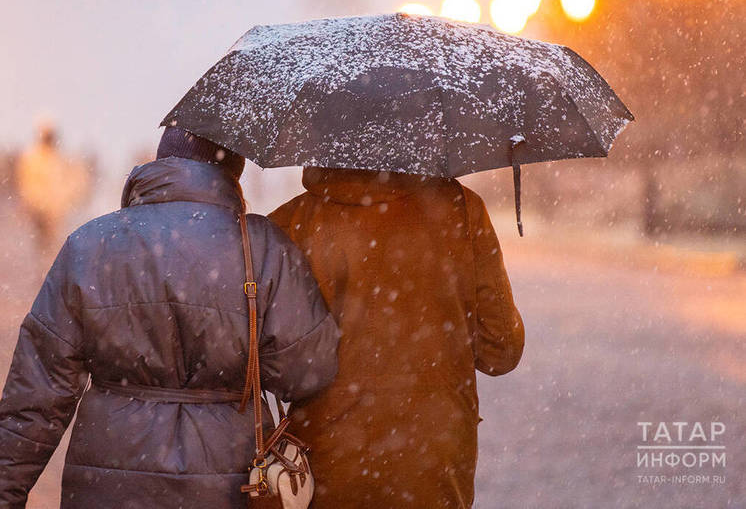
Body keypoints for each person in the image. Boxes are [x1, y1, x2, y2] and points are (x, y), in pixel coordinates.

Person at [0, 127, 339, 508]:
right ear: (234, 171)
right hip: (227, 482)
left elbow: (36, 396)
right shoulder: (262, 245)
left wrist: (7, 491)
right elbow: (308, 371)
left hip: (107, 481)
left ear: (160, 161)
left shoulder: (90, 243)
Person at [269, 167, 525, 508]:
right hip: (433, 459)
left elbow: (275, 366)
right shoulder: (461, 208)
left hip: (325, 458)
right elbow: (501, 352)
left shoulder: (291, 222)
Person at [14, 123, 90, 254]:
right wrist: (34, 204)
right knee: (39, 248)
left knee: (54, 249)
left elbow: (77, 181)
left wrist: (68, 199)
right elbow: (25, 185)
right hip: (37, 213)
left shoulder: (61, 159)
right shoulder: (32, 159)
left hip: (56, 214)